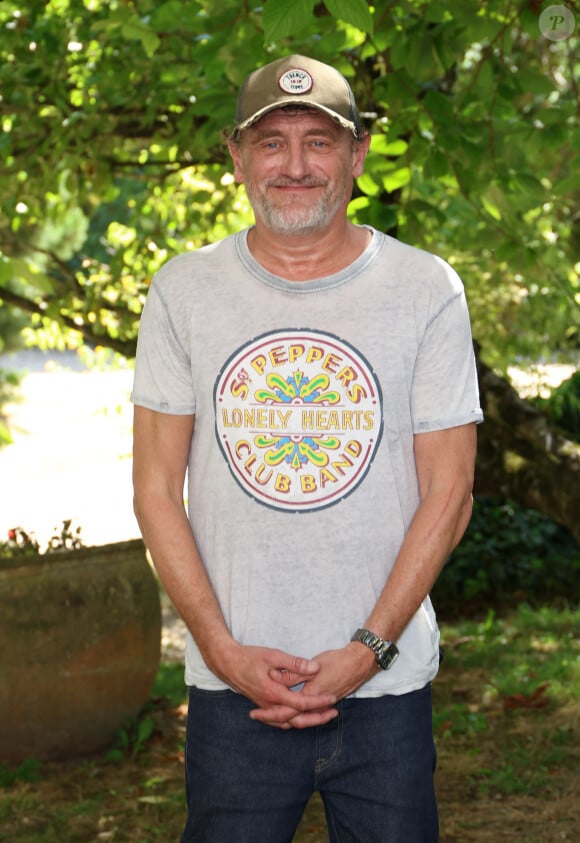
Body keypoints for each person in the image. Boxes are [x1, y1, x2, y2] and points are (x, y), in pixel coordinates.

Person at [131, 54, 483, 843]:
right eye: (272, 143)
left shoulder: (427, 289)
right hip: (234, 693)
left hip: (386, 694)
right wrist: (221, 651)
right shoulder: (182, 291)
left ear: (356, 156)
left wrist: (367, 650)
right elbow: (155, 488)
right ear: (236, 157)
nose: (295, 166)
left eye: (319, 142)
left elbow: (450, 492)